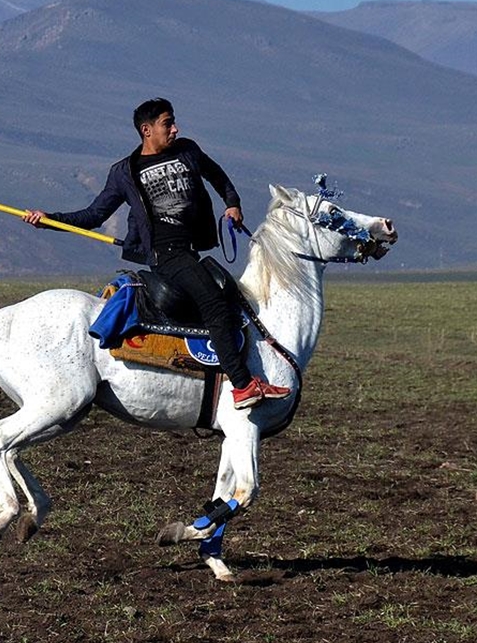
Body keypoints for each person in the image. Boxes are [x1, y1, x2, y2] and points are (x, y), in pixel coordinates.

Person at [23, 98, 290, 410]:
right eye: (167, 124)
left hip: (191, 251)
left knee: (229, 297)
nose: (175, 129)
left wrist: (232, 203)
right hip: (166, 255)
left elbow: (216, 175)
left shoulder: (188, 150)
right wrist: (48, 220)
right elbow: (93, 216)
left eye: (174, 122)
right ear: (147, 130)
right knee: (214, 304)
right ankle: (243, 386)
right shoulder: (125, 172)